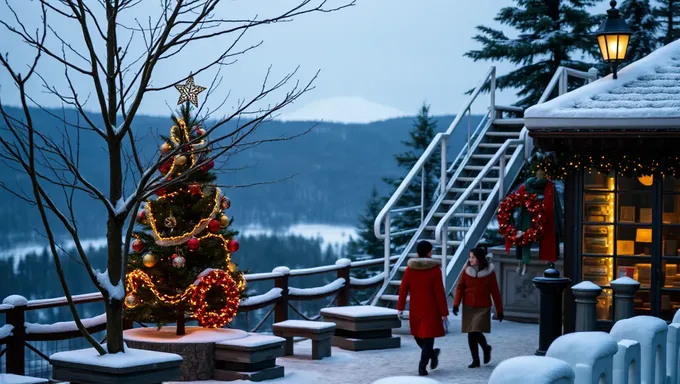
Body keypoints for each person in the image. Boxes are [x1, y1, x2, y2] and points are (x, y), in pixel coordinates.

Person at [397, 240, 449, 376]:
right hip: (426, 309)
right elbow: (440, 293)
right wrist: (444, 312)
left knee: (425, 337)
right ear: (429, 253)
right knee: (420, 337)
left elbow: (403, 289)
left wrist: (401, 307)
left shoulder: (411, 269)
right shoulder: (434, 270)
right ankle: (432, 354)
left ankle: (422, 366)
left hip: (421, 309)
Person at [452, 245, 504, 368]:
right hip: (468, 306)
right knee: (471, 333)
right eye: (470, 257)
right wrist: (456, 304)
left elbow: (495, 292)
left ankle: (486, 348)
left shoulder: (489, 273)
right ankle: (476, 360)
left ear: (480, 258)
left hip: (483, 307)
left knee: (475, 331)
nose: (470, 260)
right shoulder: (466, 271)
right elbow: (460, 288)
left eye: (473, 257)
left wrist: (499, 310)